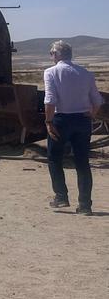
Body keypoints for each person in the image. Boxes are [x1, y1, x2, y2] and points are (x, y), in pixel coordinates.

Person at [44, 40, 104, 215]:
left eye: (51, 53)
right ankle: (85, 205)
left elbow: (50, 100)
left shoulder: (51, 72)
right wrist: (91, 115)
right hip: (82, 121)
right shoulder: (85, 73)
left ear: (56, 55)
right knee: (82, 162)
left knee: (55, 158)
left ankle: (61, 197)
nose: (51, 56)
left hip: (61, 120)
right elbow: (98, 100)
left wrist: (48, 122)